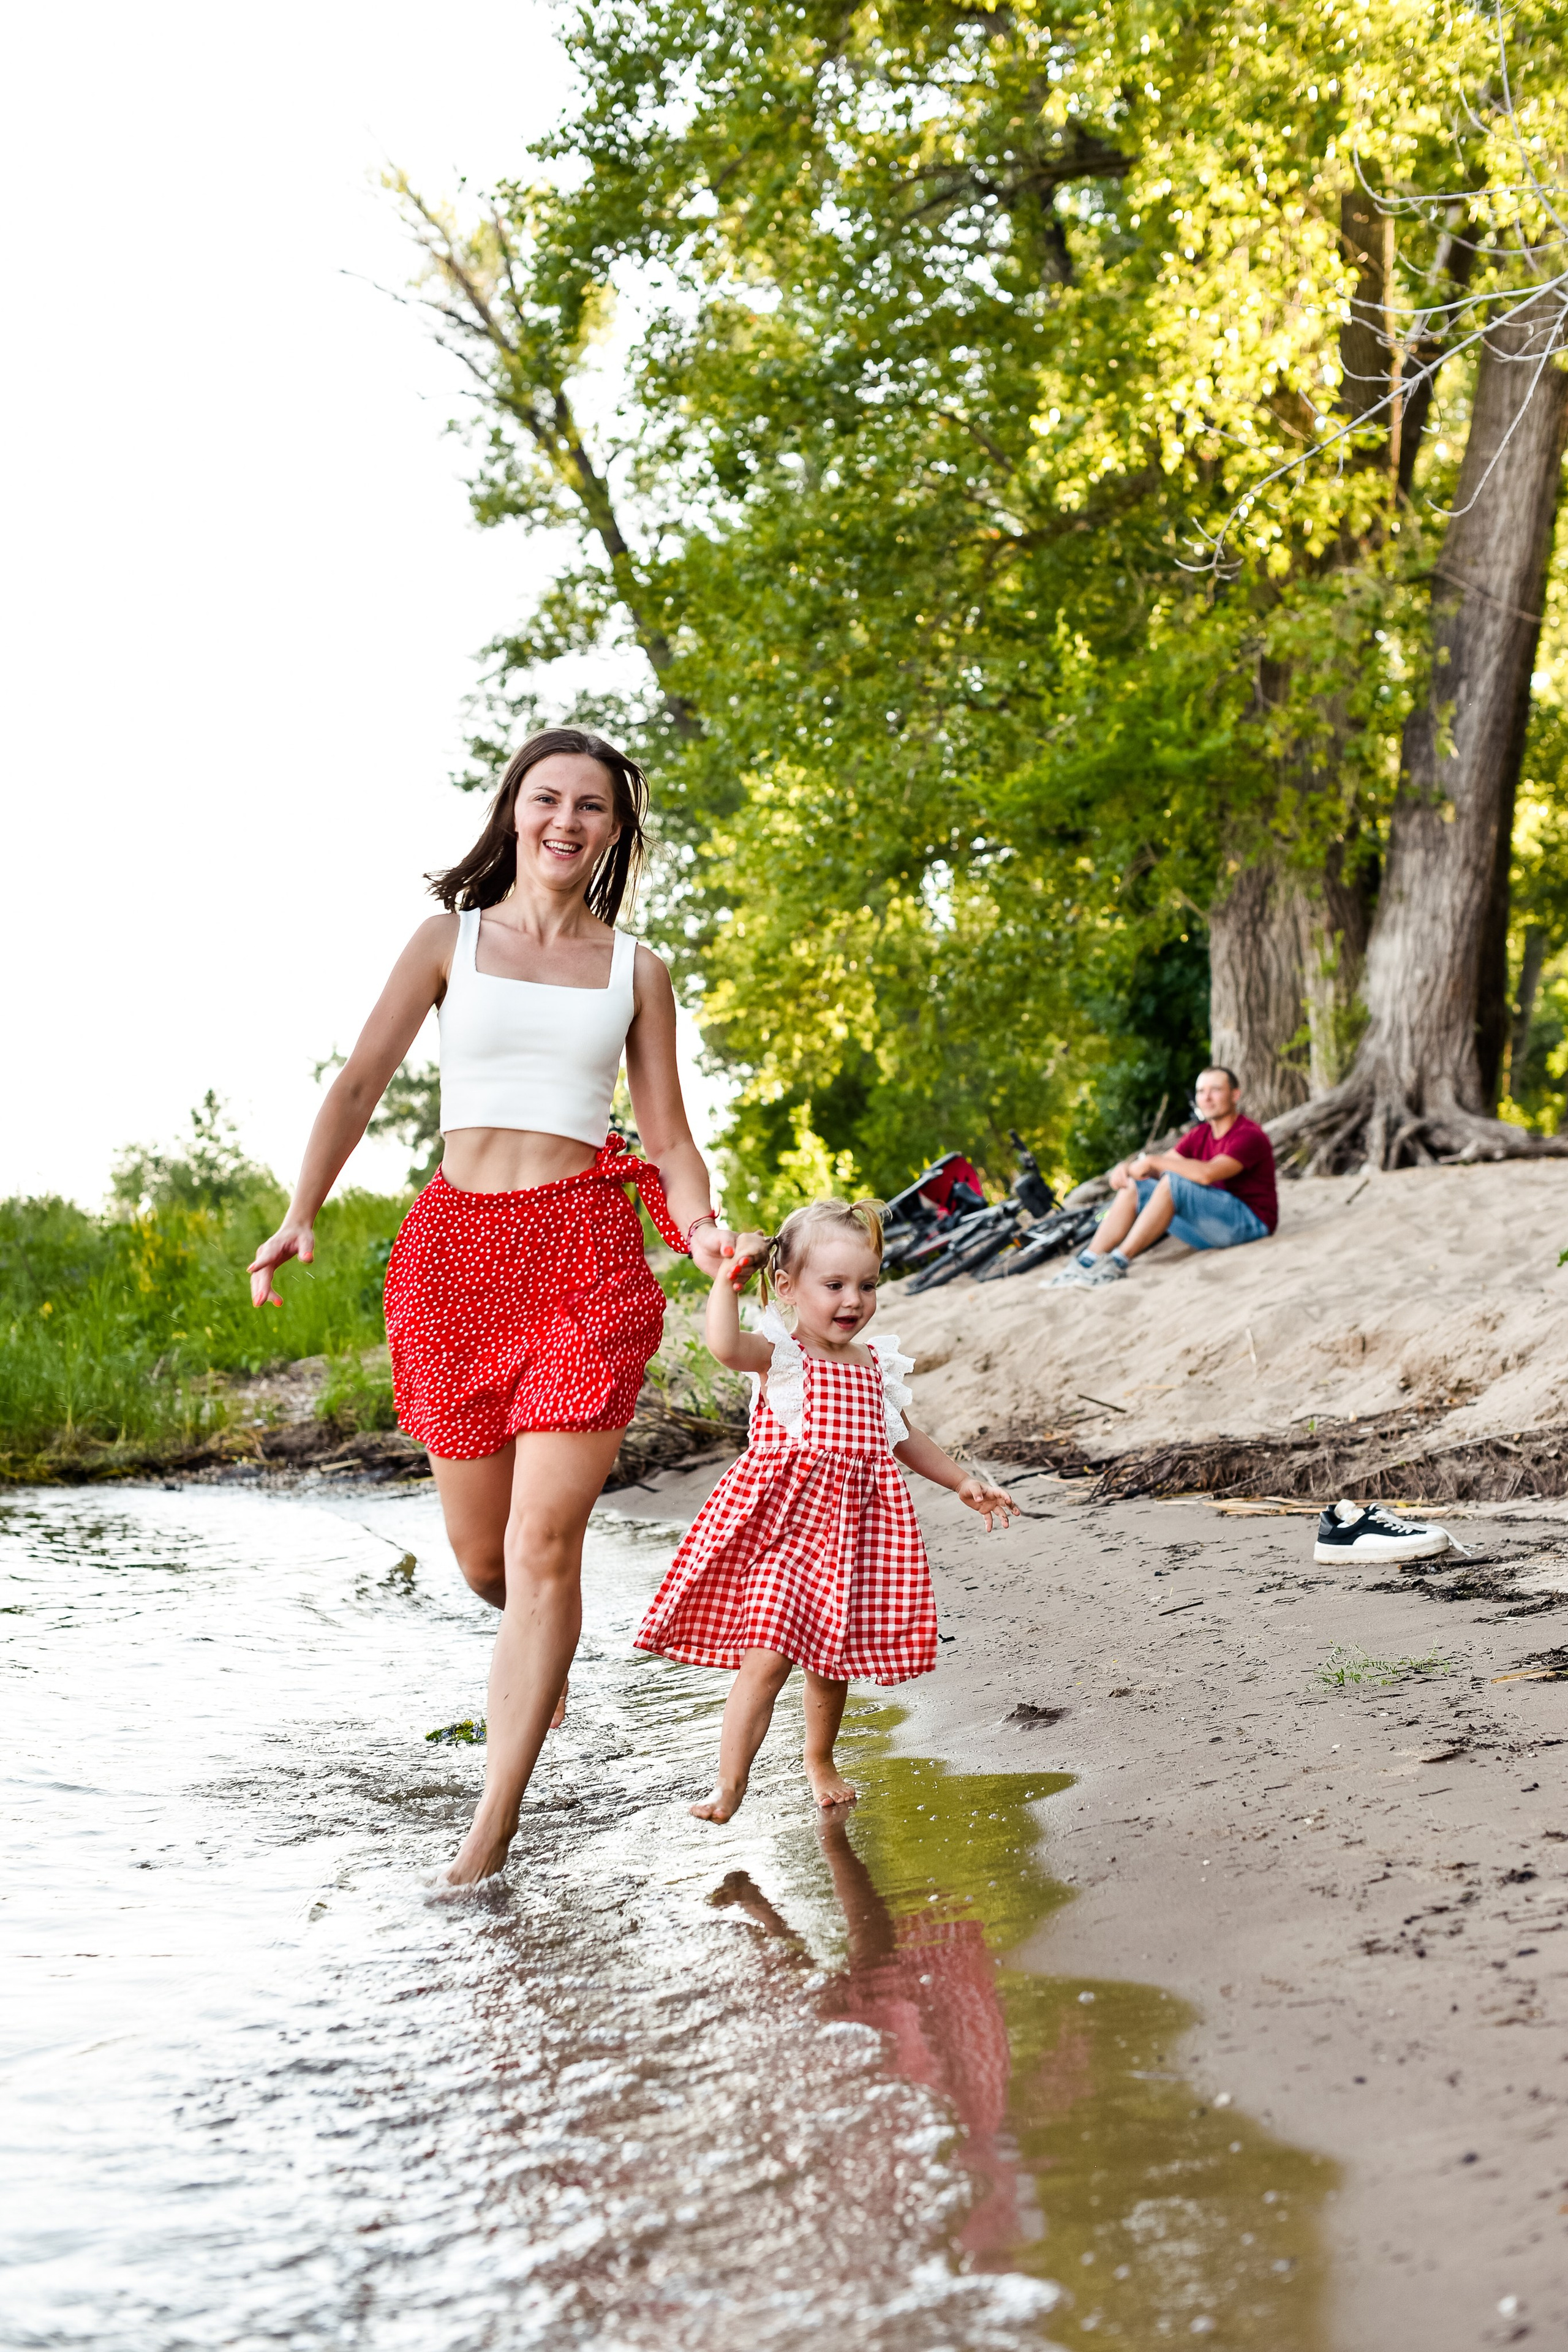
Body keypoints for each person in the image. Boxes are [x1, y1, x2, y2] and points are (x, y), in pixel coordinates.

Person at [246, 726, 739, 1885]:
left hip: (585, 1261)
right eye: (547, 799)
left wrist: (705, 1223)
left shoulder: (636, 970)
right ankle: (542, 1657)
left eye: (593, 808)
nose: (567, 821)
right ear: (514, 810)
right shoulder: (446, 942)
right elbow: (359, 1082)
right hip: (452, 1262)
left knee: (543, 1541)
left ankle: (491, 1831)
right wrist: (300, 1209)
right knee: (484, 1561)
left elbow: (667, 1137)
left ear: (617, 832)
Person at [634, 1198, 1018, 1819]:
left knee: (827, 1661)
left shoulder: (874, 1368)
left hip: (850, 1541)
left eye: (867, 1285)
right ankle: (729, 1784)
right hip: (781, 1536)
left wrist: (960, 1482)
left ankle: (820, 1759)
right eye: (834, 1285)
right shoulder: (783, 1355)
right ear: (786, 1287)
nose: (853, 1300)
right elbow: (724, 1346)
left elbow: (903, 1437)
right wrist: (728, 1282)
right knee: (766, 1659)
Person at [1048, 1064, 1277, 1289]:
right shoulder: (1200, 1134)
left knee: (1173, 1183)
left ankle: (1116, 1262)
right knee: (1138, 1185)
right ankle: (1088, 1260)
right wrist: (1127, 1168)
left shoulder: (1248, 1135)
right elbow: (1155, 1168)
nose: (1207, 1098)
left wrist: (1152, 1162)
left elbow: (1207, 1175)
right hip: (1211, 1228)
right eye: (1201, 1091)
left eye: (1215, 1090)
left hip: (1250, 1224)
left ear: (1235, 1095)